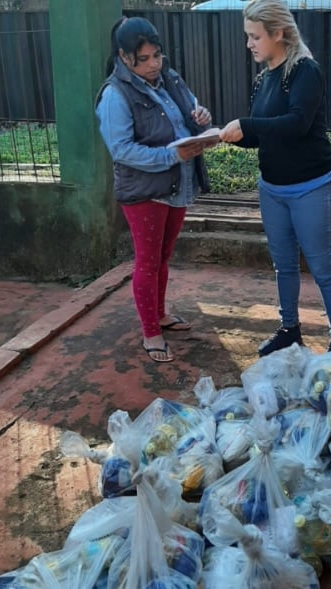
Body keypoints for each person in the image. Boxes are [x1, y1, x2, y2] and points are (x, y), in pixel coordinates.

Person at [219, 0, 331, 357]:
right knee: (284, 266)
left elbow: (297, 124)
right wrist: (220, 134)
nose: (249, 43)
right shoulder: (264, 78)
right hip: (272, 189)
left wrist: (247, 125)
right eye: (248, 36)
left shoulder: (305, 71)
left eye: (255, 36)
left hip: (310, 187)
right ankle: (290, 329)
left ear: (278, 33)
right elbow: (262, 135)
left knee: (322, 266)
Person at [95, 16, 215, 363]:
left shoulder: (169, 77)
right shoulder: (115, 95)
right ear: (124, 56)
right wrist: (170, 154)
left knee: (163, 258)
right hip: (145, 191)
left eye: (157, 56)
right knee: (147, 263)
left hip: (177, 184)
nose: (153, 64)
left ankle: (160, 314)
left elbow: (189, 110)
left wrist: (201, 118)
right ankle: (150, 331)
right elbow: (122, 149)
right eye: (143, 59)